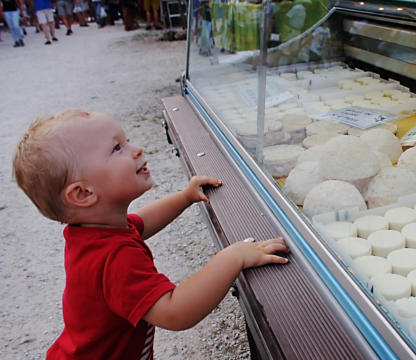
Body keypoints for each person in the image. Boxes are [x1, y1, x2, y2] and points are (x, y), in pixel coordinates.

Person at [12, 109, 290, 359]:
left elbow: (140, 222)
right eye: (117, 148)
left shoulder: (94, 231)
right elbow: (175, 311)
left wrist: (184, 198)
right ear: (83, 193)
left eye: (127, 140)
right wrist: (234, 257)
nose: (136, 150)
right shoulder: (114, 258)